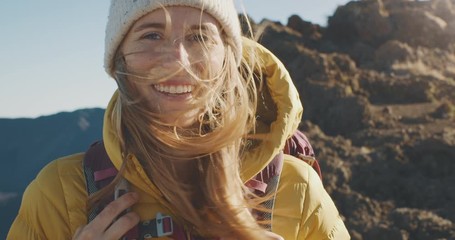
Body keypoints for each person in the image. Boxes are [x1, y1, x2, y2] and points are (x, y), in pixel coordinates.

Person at [8, 0, 350, 239]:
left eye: (200, 36)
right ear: (119, 58)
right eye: (151, 35)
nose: (177, 60)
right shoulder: (59, 194)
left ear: (228, 59)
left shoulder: (298, 190)